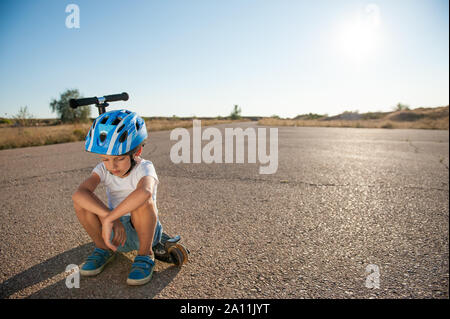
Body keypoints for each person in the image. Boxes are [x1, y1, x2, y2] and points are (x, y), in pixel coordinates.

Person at [72, 109, 162, 286]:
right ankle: (103, 249)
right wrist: (108, 216)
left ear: (137, 151)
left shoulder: (145, 167)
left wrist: (110, 218)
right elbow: (79, 194)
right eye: (105, 159)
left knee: (141, 201)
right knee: (82, 203)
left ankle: (145, 254)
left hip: (144, 230)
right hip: (113, 232)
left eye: (119, 158)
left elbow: (145, 192)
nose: (112, 166)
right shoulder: (103, 169)